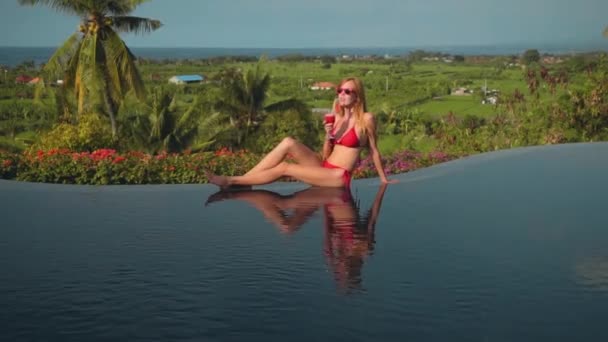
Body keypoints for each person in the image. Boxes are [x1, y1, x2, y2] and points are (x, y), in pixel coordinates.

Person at [206, 77, 397, 189]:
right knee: (288, 142)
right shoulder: (337, 118)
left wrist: (383, 179)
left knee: (285, 168)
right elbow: (326, 155)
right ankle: (245, 180)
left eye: (348, 91)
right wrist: (328, 135)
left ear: (358, 96)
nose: (342, 94)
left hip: (339, 175)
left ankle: (232, 181)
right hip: (325, 165)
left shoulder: (367, 119)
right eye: (340, 90)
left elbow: (374, 150)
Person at [205, 184, 389, 291]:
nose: (339, 270)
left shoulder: (349, 251)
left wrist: (333, 258)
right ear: (351, 271)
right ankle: (237, 190)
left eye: (340, 275)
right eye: (342, 274)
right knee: (284, 206)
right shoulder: (361, 248)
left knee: (285, 213)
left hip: (333, 202)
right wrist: (382, 188)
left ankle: (237, 192)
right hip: (333, 200)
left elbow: (333, 231)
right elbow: (371, 218)